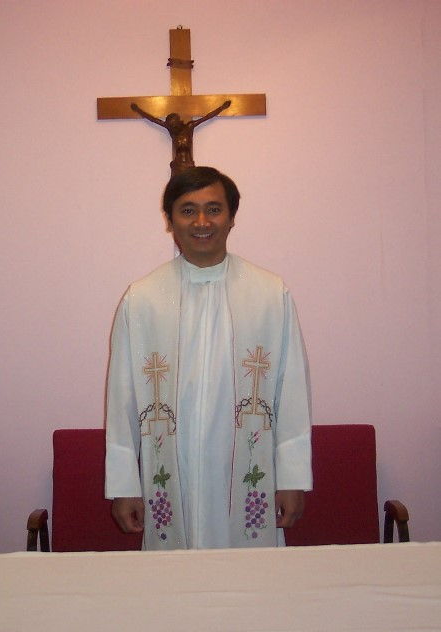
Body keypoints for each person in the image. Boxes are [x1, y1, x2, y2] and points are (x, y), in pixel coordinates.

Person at [105, 166, 312, 550]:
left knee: (249, 591)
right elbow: (122, 400)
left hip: (248, 472)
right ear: (170, 220)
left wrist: (293, 478)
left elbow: (293, 389)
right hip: (171, 470)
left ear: (232, 217)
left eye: (214, 209)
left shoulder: (270, 294)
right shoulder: (142, 300)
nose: (202, 221)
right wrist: (123, 486)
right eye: (187, 210)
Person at [130, 101, 231, 175]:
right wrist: (138, 110)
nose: (172, 126)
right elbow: (153, 120)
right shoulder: (172, 131)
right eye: (170, 125)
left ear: (178, 121)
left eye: (173, 124)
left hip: (189, 164)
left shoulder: (189, 127)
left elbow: (207, 117)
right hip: (177, 165)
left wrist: (222, 108)